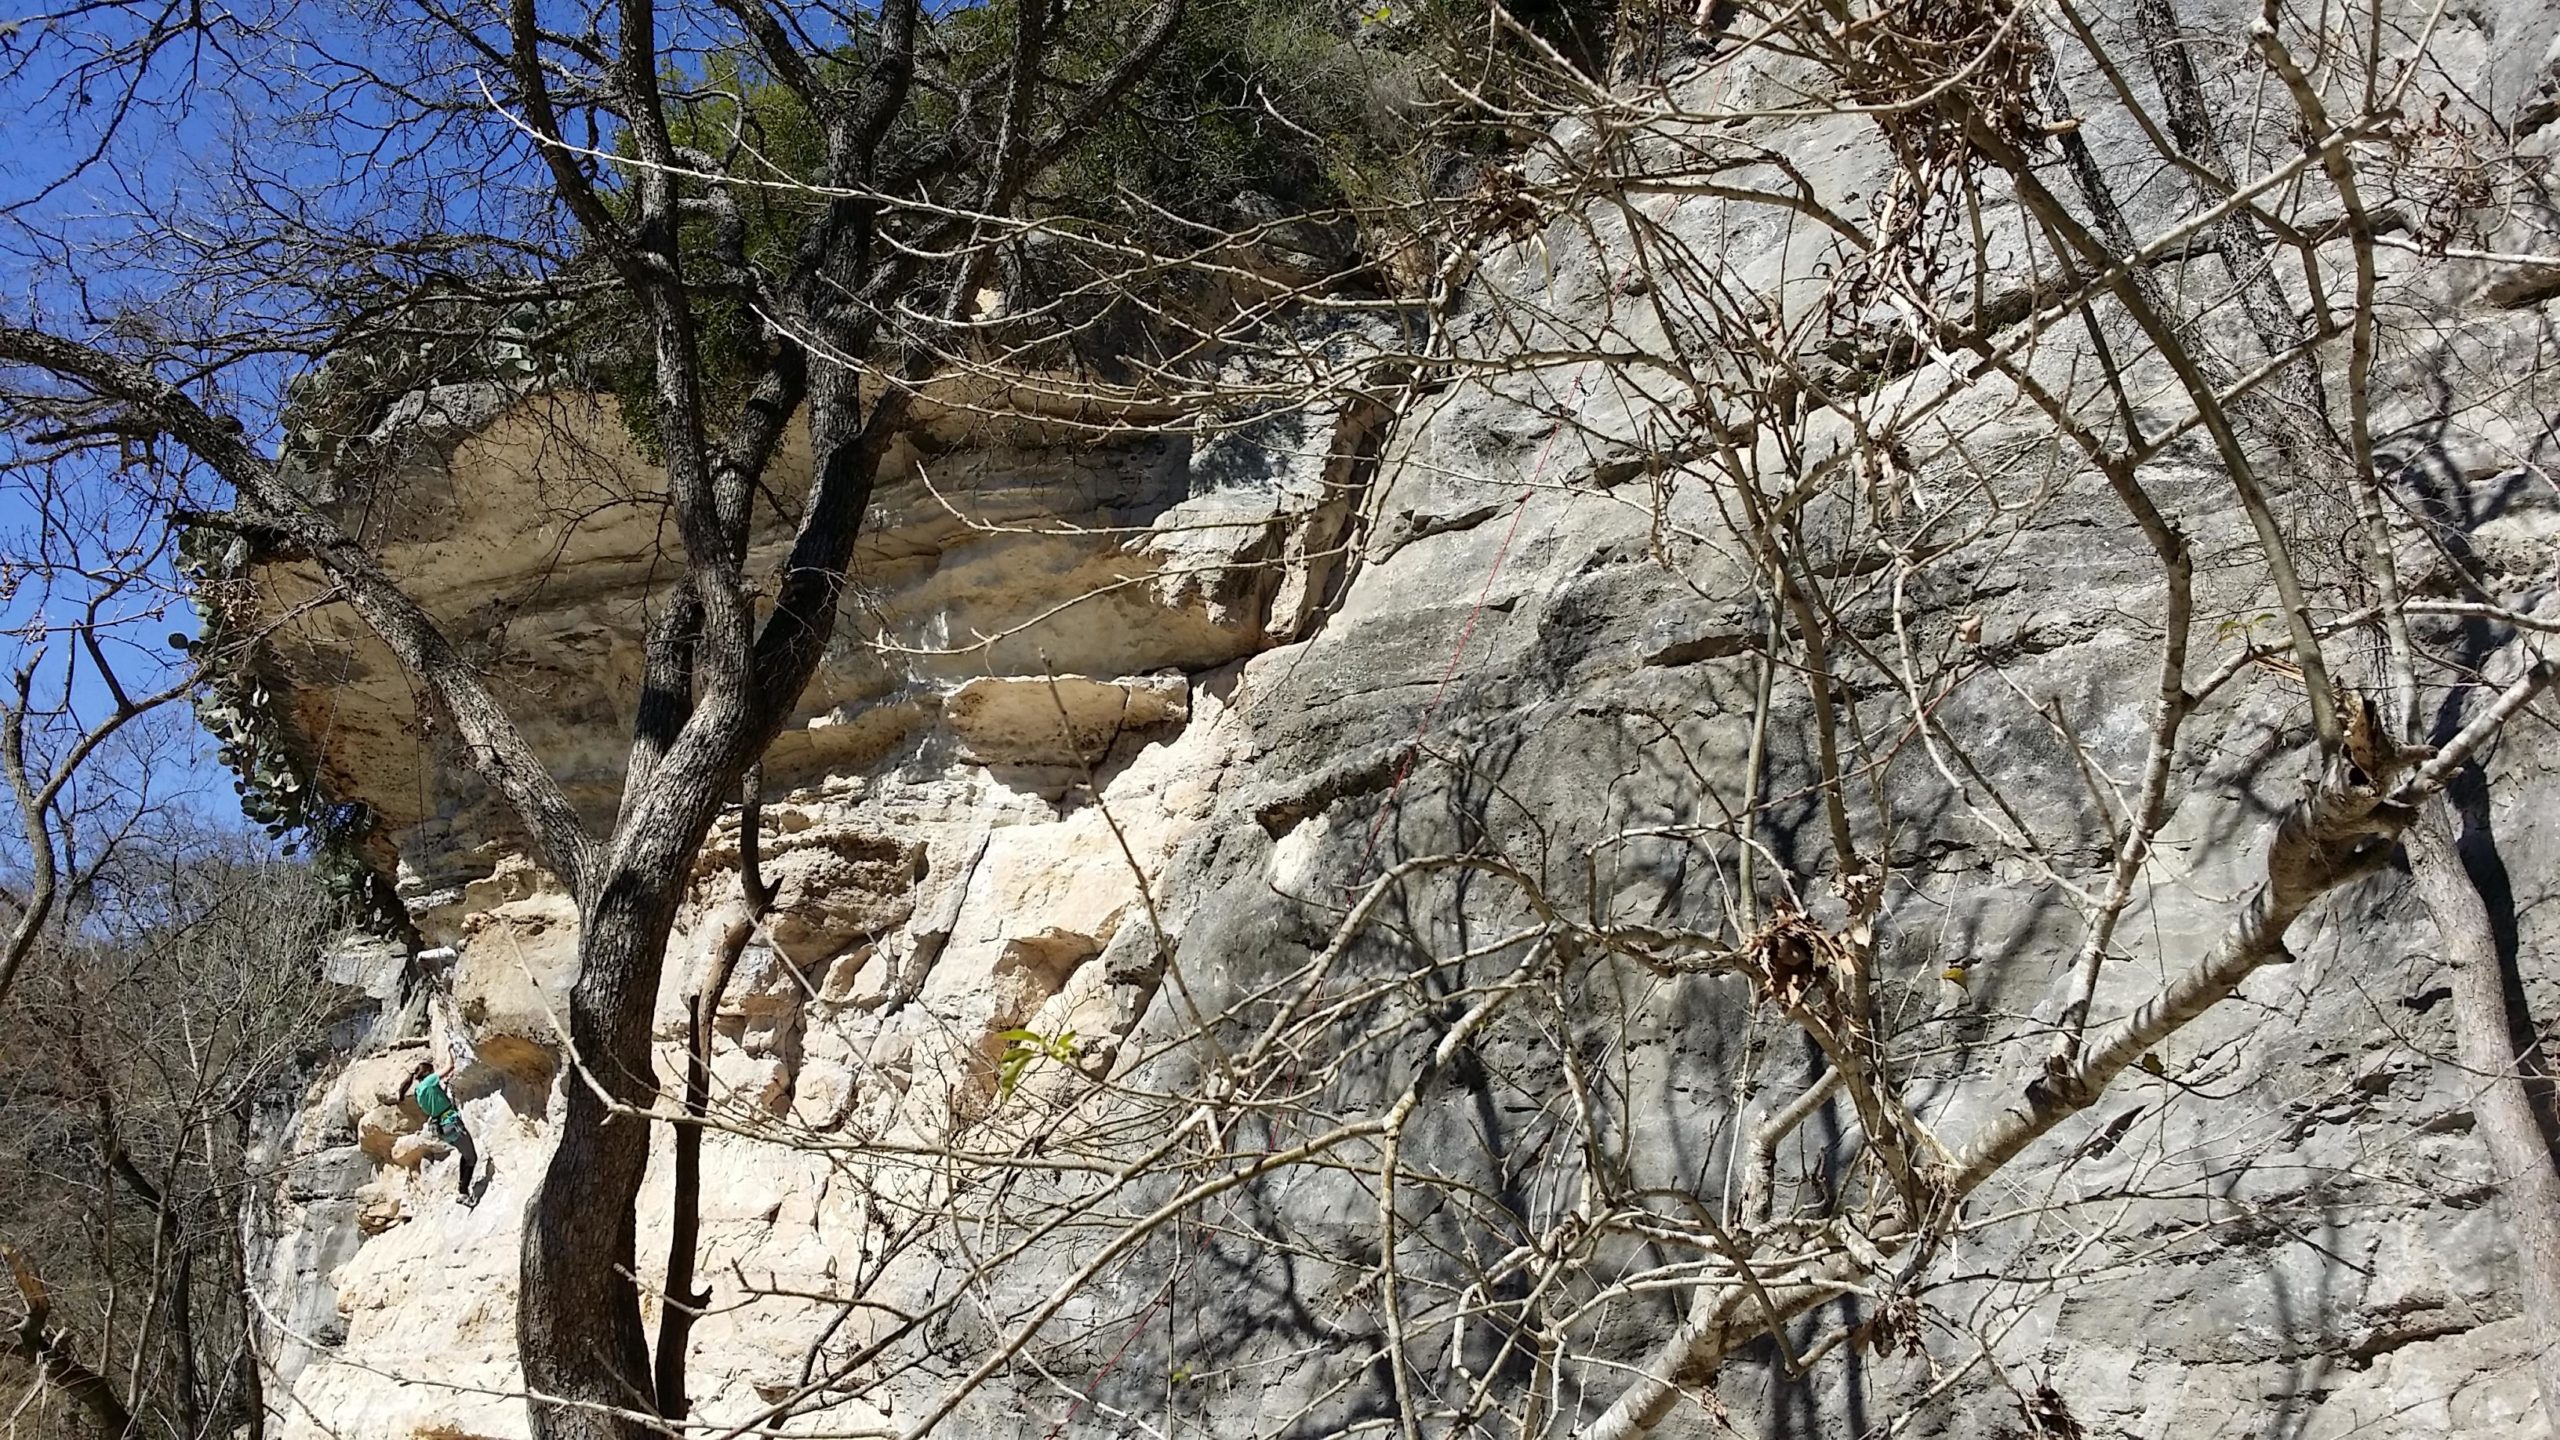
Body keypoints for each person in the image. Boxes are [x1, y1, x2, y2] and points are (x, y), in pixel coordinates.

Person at [408, 1060, 479, 1205]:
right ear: (428, 1072)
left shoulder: (418, 1090)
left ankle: (462, 1189)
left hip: (441, 1128)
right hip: (450, 1122)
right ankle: (463, 1192)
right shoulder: (429, 1081)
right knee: (472, 1157)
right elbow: (449, 1066)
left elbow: (435, 1100)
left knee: (465, 1153)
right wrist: (449, 1051)